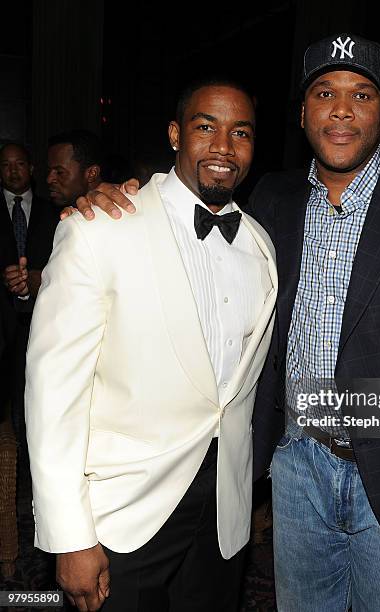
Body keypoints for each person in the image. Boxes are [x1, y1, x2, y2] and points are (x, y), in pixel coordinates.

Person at [75, 34, 380, 611]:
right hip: (295, 469)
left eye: (362, 94)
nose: (342, 109)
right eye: (325, 92)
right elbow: (186, 211)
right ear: (303, 114)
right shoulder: (269, 199)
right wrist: (118, 197)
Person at [25, 77, 277, 612]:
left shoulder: (260, 246)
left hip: (224, 520)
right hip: (123, 516)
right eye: (205, 127)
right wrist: (69, 533)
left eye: (241, 133)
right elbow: (53, 396)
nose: (224, 147)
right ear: (174, 134)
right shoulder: (100, 228)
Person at [0, 143, 58, 449]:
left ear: (31, 168)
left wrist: (36, 277)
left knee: (38, 401)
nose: (13, 171)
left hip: (44, 321)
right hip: (3, 325)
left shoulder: (56, 211)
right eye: (6, 165)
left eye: (19, 164)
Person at [47, 129, 103, 207]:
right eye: (48, 171)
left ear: (92, 173)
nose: (49, 179)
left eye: (60, 172)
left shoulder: (116, 214)